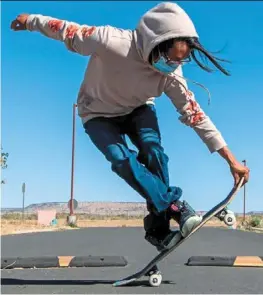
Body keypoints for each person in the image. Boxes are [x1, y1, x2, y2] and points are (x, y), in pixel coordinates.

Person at [11, 2, 250, 251]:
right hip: (97, 114)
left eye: (179, 61)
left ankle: (158, 229)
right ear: (154, 43)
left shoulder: (172, 76)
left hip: (138, 110)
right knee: (121, 159)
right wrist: (30, 21)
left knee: (154, 152)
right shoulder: (110, 40)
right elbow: (65, 30)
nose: (172, 65)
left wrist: (231, 160)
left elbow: (196, 116)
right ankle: (174, 206)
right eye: (169, 58)